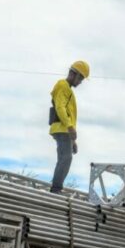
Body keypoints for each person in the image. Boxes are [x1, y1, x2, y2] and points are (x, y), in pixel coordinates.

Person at [49, 60, 89, 194]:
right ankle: (56, 189)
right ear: (73, 74)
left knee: (65, 157)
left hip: (64, 129)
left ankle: (57, 187)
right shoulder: (62, 85)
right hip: (62, 128)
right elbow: (60, 108)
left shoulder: (67, 89)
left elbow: (66, 112)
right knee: (66, 158)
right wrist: (70, 127)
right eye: (80, 78)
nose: (80, 82)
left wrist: (73, 140)